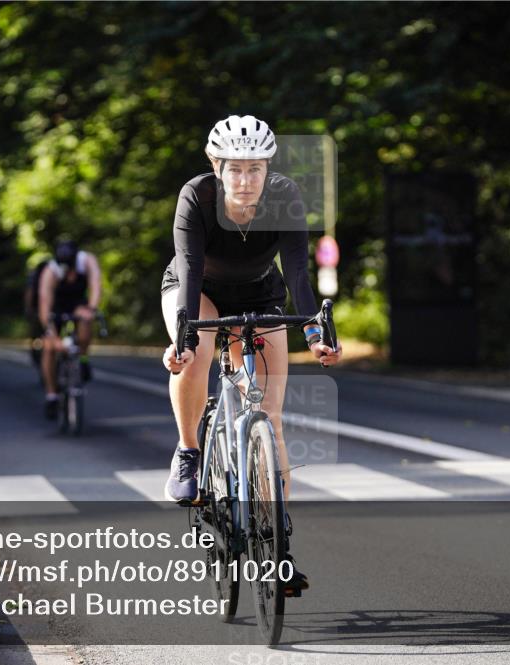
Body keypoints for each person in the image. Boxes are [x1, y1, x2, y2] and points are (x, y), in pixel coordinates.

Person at [159, 115, 343, 593]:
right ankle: (189, 450)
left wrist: (315, 333)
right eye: (235, 169)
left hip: (260, 293)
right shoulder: (196, 196)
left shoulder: (285, 197)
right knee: (197, 352)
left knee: (270, 418)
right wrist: (183, 340)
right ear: (216, 165)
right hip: (195, 289)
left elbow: (297, 272)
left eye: (255, 169)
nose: (245, 180)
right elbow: (190, 266)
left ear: (268, 168)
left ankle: (277, 548)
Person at [38, 240, 102, 419]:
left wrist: (91, 308)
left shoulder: (87, 261)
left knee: (85, 320)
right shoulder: (50, 272)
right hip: (56, 306)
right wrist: (53, 337)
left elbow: (96, 286)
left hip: (78, 304)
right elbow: (44, 304)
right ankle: (51, 395)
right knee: (49, 347)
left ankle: (83, 359)